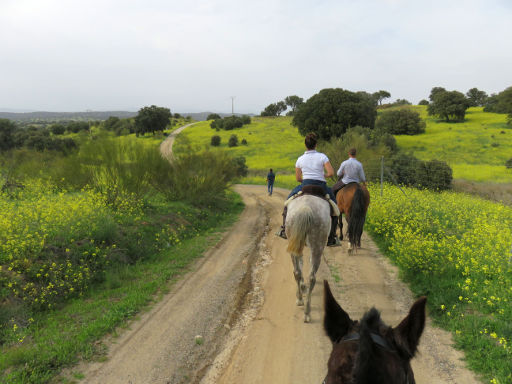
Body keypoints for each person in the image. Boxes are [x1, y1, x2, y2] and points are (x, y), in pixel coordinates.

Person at [277, 133, 339, 246]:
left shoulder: (300, 159)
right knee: (335, 207)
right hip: (321, 185)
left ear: (305, 145)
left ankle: (284, 229)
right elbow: (331, 173)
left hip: (305, 184)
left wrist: (307, 180)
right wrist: (322, 176)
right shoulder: (322, 157)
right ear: (316, 144)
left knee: (287, 202)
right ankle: (332, 237)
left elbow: (298, 178)